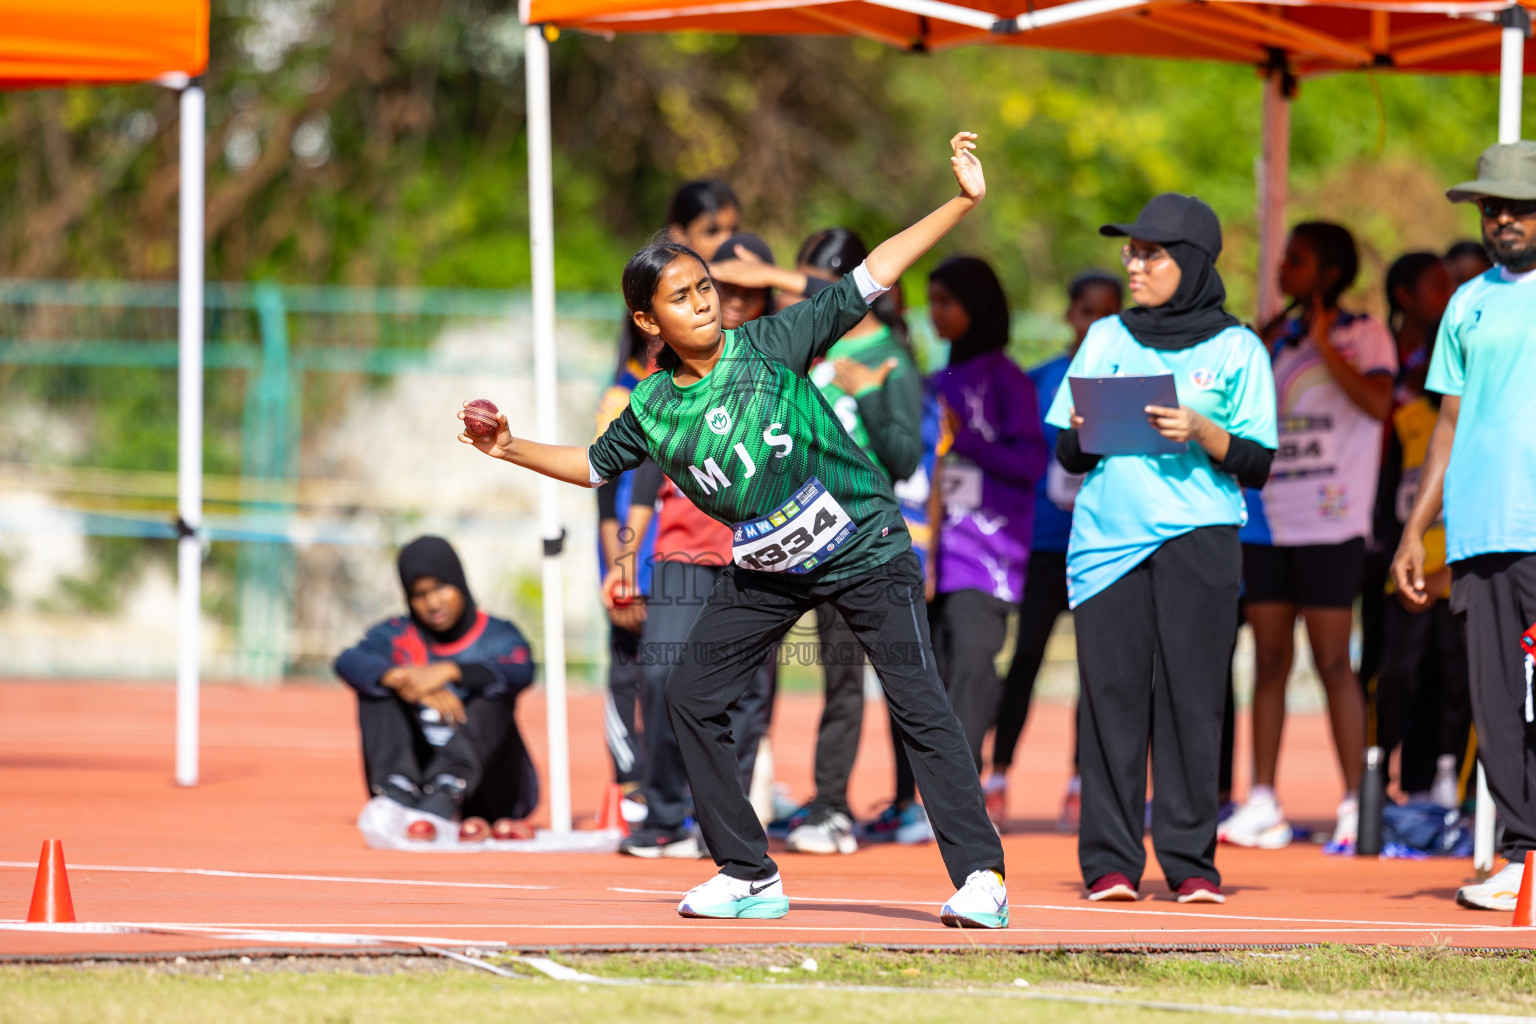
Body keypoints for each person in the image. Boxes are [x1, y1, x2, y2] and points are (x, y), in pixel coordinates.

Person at [461, 133, 1008, 928]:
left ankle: (981, 877)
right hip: (773, 564)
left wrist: (962, 201)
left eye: (705, 284)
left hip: (862, 544)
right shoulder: (651, 405)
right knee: (692, 694)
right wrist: (508, 447)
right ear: (647, 319)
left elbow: (874, 272)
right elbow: (591, 466)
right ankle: (748, 873)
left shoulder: (773, 342)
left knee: (917, 697)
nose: (704, 298)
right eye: (681, 295)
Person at [1047, 193, 1277, 904]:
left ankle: (1190, 863)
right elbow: (1067, 451)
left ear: (1193, 262)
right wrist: (1087, 428)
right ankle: (1111, 863)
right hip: (1106, 546)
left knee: (1193, 700)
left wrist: (1203, 432)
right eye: (1131, 251)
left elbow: (1259, 461)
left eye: (1150, 253)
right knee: (1110, 701)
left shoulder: (1239, 348)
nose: (1134, 264)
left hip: (1199, 541)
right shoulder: (1107, 337)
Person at [739, 227, 926, 858]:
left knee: (847, 676)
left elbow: (903, 458)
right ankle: (738, 795)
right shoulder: (802, 351)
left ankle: (832, 805)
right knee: (745, 666)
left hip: (857, 542)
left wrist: (867, 391)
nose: (805, 295)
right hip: (787, 534)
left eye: (816, 282)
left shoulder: (890, 358)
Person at [1393, 140, 1536, 911]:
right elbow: (1446, 421)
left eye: (1517, 206)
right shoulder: (1467, 301)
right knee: (1496, 702)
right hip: (1479, 530)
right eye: (1491, 207)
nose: (1503, 219)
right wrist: (1418, 529)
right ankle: (1521, 854)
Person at [1224, 222, 1396, 853]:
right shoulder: (1270, 338)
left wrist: (1324, 345)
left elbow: (1379, 407)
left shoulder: (1363, 333)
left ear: (1328, 272)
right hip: (1269, 519)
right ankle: (1263, 799)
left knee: (1331, 661)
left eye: (1295, 260)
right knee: (1268, 660)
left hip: (1332, 519)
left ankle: (1354, 802)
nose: (1281, 269)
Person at [615, 232, 781, 860]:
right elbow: (639, 478)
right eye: (721, 286)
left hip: (762, 554)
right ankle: (660, 812)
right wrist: (626, 557)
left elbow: (830, 296)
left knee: (746, 697)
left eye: (741, 289)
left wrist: (768, 272)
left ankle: (722, 828)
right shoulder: (666, 381)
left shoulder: (774, 358)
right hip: (683, 557)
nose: (728, 301)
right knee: (660, 676)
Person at [882, 256, 1048, 830]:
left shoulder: (1009, 380)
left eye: (946, 301)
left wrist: (967, 440)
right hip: (928, 551)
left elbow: (1032, 461)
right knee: (919, 675)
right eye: (930, 301)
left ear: (977, 307)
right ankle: (908, 799)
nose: (935, 313)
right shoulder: (930, 382)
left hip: (988, 556)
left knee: (973, 671)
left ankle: (957, 803)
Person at [595, 180, 739, 812]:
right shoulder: (636, 394)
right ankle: (642, 789)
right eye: (712, 232)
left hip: (732, 556)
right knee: (645, 671)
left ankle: (703, 802)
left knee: (714, 686)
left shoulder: (741, 362)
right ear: (647, 323)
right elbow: (609, 483)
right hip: (659, 553)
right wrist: (620, 561)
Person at [989, 269, 1123, 830]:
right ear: (1070, 315)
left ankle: (1079, 781)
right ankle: (997, 775)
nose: (1096, 323)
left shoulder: (1129, 382)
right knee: (1026, 660)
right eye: (1088, 311)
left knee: (1099, 671)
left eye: (1110, 315)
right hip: (1044, 544)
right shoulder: (1038, 380)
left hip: (1103, 543)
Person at [334, 536, 538, 843]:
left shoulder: (497, 633)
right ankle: (397, 789)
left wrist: (450, 672)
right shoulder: (397, 633)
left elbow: (522, 670)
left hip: (488, 788)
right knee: (375, 684)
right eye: (419, 594)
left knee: (495, 690)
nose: (432, 603)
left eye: (441, 588)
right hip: (419, 783)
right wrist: (405, 681)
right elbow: (347, 660)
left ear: (460, 583)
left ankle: (448, 789)